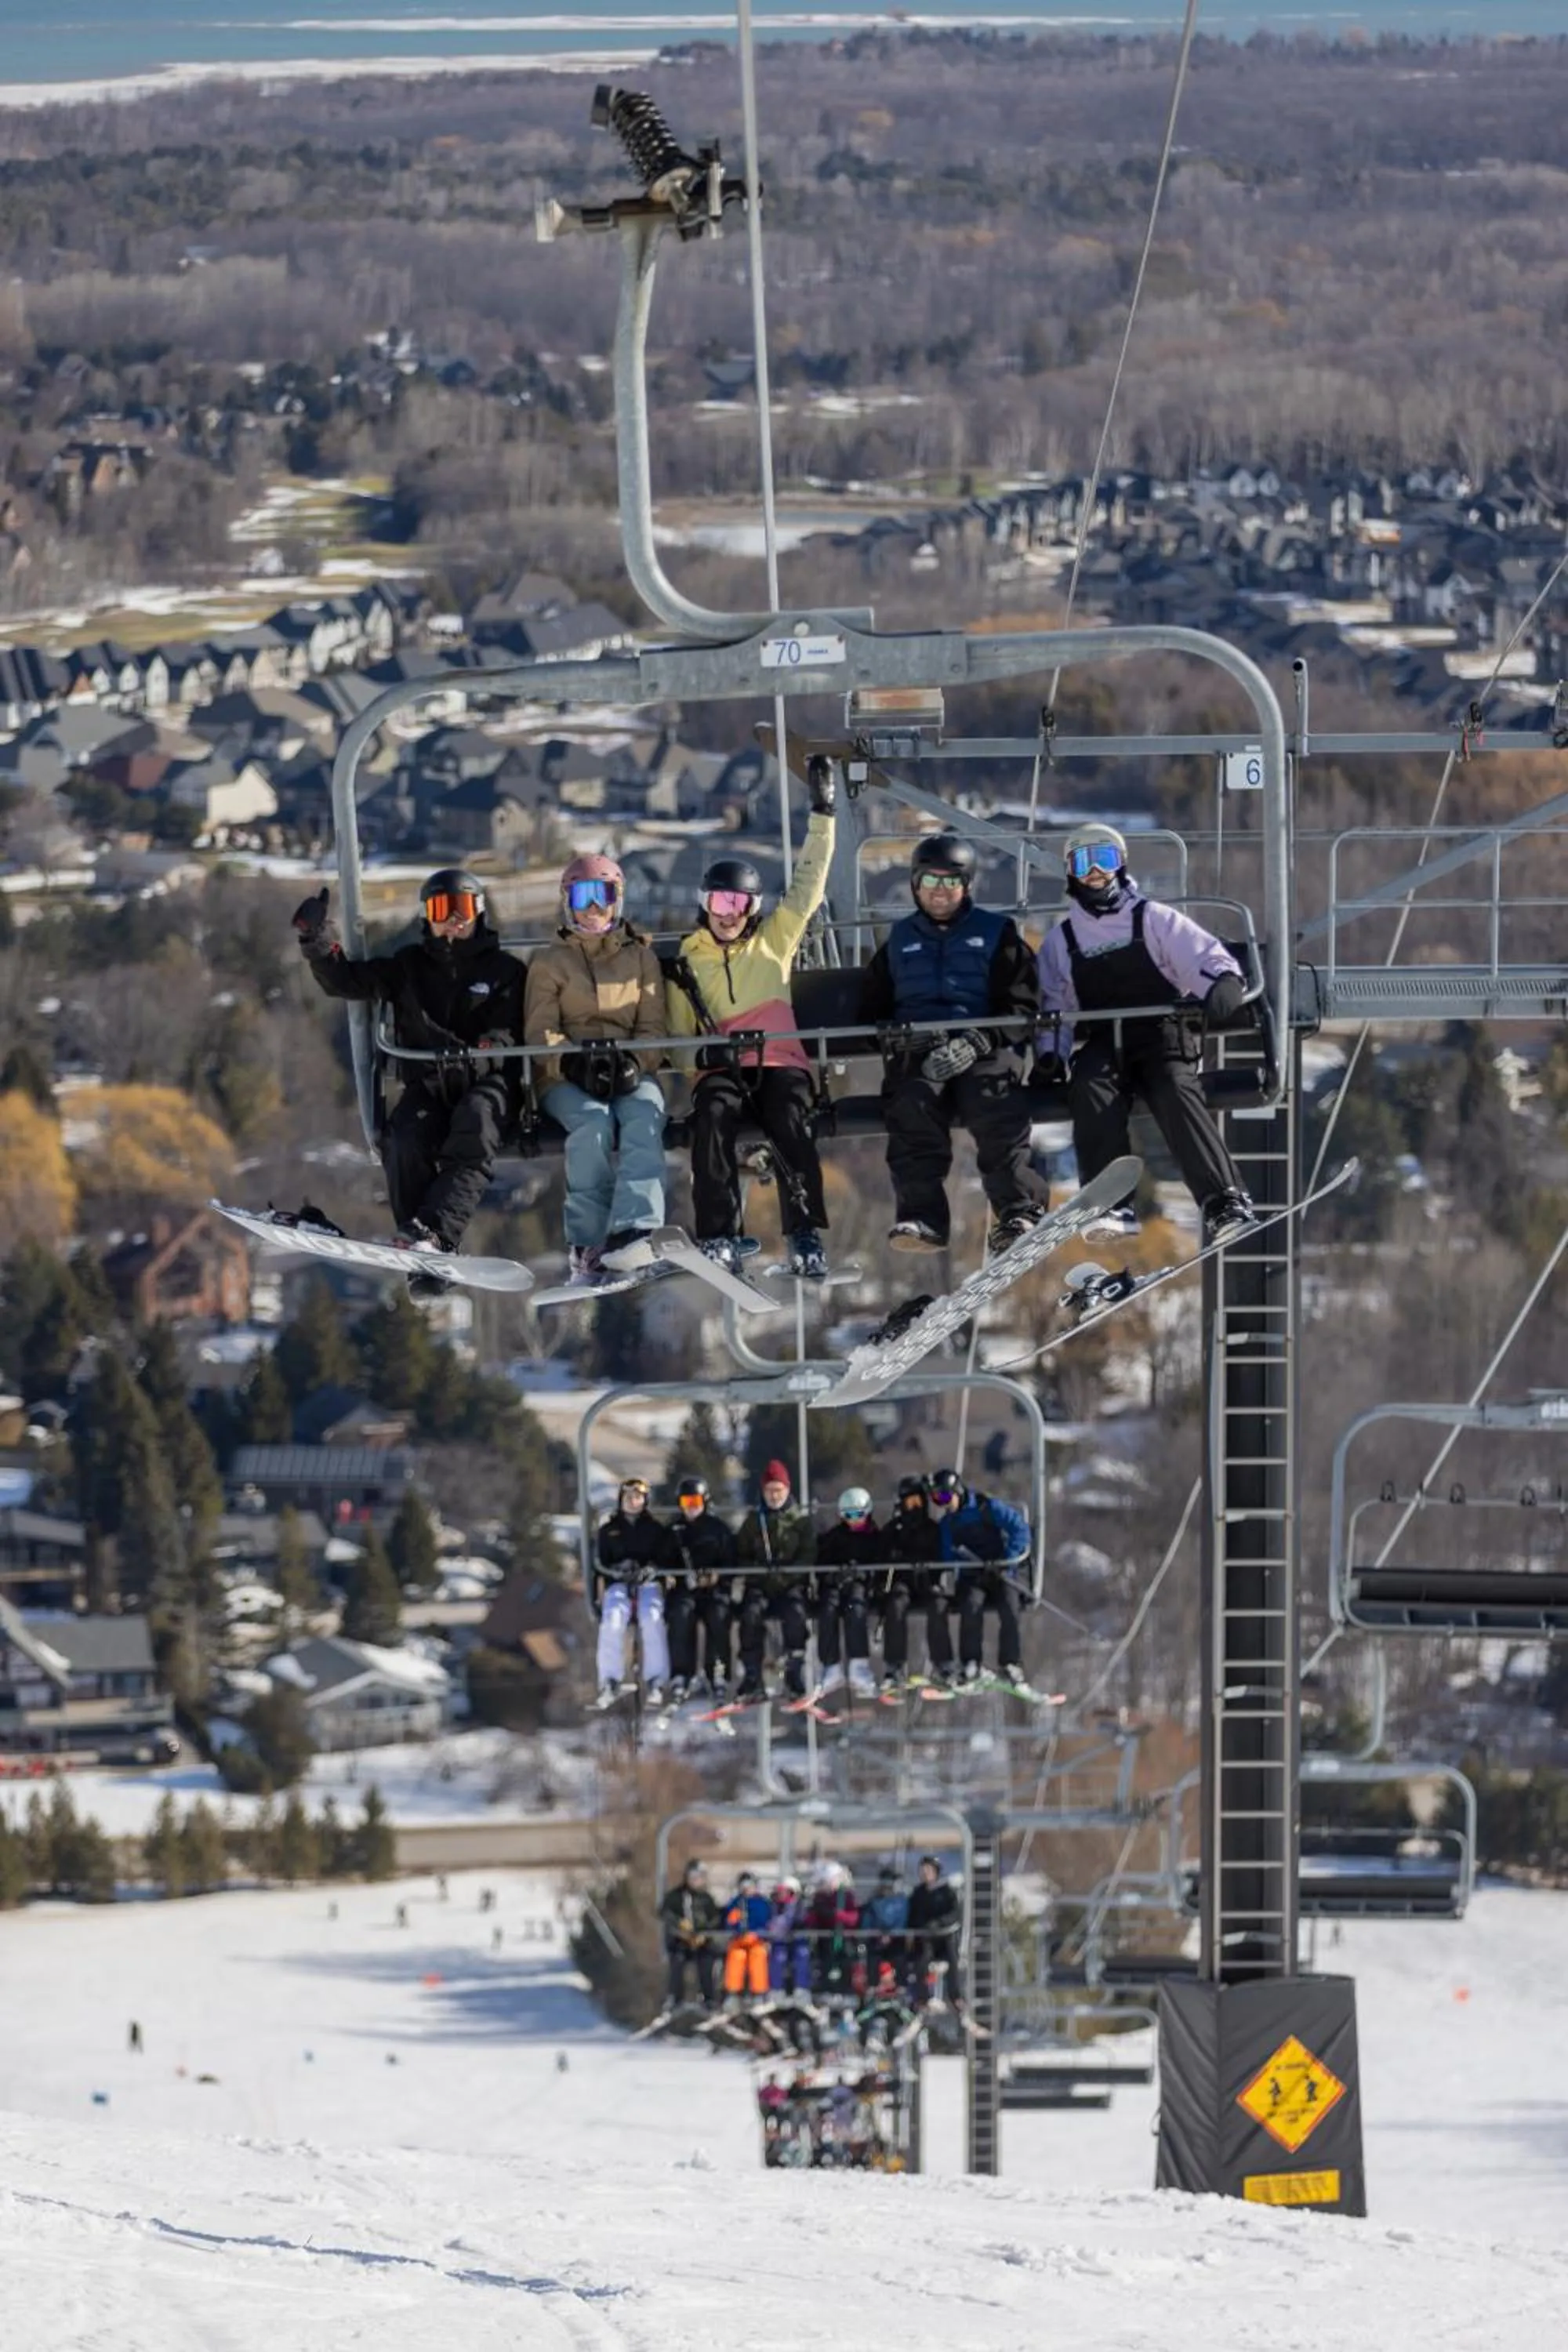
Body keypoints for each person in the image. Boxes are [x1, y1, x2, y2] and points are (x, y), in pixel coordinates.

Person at [292, 873, 524, 1293]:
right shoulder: (409, 967)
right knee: (403, 1139)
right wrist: (318, 942)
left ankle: (435, 1236)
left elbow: (512, 1028)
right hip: (430, 1084)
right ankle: (422, 1257)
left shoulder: (504, 971)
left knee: (475, 1124)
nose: (453, 920)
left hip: (487, 1084)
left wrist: (488, 1047)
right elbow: (347, 981)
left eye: (463, 909)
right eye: (441, 910)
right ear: (427, 916)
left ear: (479, 914)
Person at [1035, 822, 1257, 1246]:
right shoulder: (1061, 942)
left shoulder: (1152, 919)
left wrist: (1222, 983)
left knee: (1175, 1087)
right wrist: (1051, 1054)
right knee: (1089, 1087)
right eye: (1085, 863)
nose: (1096, 873)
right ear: (1071, 873)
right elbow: (1054, 1006)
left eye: (1105, 860)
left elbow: (1202, 955)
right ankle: (1110, 1204)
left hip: (1160, 1033)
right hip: (1104, 1038)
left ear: (1121, 866)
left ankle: (1223, 1198)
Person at [665, 756, 837, 1280]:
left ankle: (804, 1232)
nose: (728, 912)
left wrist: (824, 813)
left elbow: (809, 885)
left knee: (790, 1118)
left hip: (780, 1063)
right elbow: (676, 1038)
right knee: (711, 1119)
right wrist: (700, 1058)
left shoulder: (774, 940)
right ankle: (718, 1233)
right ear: (704, 904)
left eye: (738, 902)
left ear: (753, 907)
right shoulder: (687, 962)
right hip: (722, 1070)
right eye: (719, 900)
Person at [860, 830, 1050, 1254]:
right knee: (911, 1106)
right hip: (919, 1047)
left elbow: (1024, 1004)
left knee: (992, 1102)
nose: (940, 892)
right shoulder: (899, 940)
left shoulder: (998, 934)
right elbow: (871, 1006)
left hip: (983, 1045)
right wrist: (890, 1034)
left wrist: (984, 1039)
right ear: (914, 885)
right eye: (930, 882)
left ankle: (1019, 1207)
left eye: (951, 882)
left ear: (967, 886)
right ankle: (923, 1217)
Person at [524, 852, 670, 1283]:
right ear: (567, 901)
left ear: (617, 900)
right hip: (567, 1075)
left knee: (645, 1115)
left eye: (602, 895)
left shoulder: (641, 958)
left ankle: (635, 1232)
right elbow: (540, 1030)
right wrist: (571, 1061)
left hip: (629, 1069)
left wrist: (634, 1062)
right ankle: (586, 1246)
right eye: (582, 896)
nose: (592, 908)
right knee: (593, 1124)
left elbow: (654, 1028)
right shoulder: (550, 962)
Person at [927, 1466, 1029, 1688]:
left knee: (1010, 1608)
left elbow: (1020, 1529)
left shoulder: (987, 1507)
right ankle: (971, 1662)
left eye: (945, 1496)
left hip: (1000, 1571)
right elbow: (947, 1555)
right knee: (971, 1608)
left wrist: (1007, 1559)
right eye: (936, 1499)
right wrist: (963, 1563)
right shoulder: (948, 1524)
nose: (943, 1503)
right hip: (972, 1576)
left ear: (957, 1491)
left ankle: (1010, 1663)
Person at [735, 1459, 815, 1701]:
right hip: (760, 1586)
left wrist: (788, 1573)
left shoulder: (799, 1521)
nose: (774, 1496)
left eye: (778, 1490)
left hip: (790, 1586)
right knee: (750, 1616)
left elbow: (808, 1554)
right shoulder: (753, 1521)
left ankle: (794, 1673)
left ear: (787, 1490)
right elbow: (740, 1554)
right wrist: (758, 1570)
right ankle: (752, 1676)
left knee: (796, 1615)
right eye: (769, 1491)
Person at [657, 1473, 736, 1703]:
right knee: (681, 1616)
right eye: (685, 1503)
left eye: (695, 1503)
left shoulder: (719, 1530)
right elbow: (663, 1561)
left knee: (719, 1616)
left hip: (714, 1591)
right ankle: (682, 1673)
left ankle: (718, 1673)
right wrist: (670, 1577)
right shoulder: (674, 1531)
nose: (690, 1508)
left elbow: (731, 1562)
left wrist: (717, 1577)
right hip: (685, 1591)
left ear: (705, 1502)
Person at [593, 1475, 670, 1707]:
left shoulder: (655, 1529)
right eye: (628, 1497)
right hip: (618, 1584)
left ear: (645, 1501)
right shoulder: (609, 1530)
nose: (632, 1502)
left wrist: (652, 1570)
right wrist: (616, 1570)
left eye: (637, 1497)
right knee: (612, 1620)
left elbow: (665, 1558)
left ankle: (656, 1679)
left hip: (648, 1584)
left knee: (652, 1618)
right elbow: (600, 1563)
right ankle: (610, 1678)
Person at [881, 1475, 956, 1689]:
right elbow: (880, 1557)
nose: (914, 1508)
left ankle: (944, 1664)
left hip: (927, 1582)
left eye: (918, 1502)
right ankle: (894, 1666)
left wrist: (932, 1571)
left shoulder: (933, 1530)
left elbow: (943, 1557)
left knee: (938, 1605)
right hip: (903, 1583)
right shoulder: (894, 1530)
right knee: (895, 1605)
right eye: (909, 1503)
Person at [814, 1486, 883, 1700]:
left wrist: (863, 1576)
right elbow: (821, 1567)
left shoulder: (875, 1538)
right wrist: (834, 1576)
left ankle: (858, 1664)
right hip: (836, 1586)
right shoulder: (834, 1538)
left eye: (858, 1515)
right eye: (849, 1516)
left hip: (861, 1587)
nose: (854, 1521)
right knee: (827, 1609)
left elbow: (881, 1565)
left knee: (855, 1609)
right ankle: (830, 1665)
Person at [659, 1859, 720, 2009]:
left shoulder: (706, 1899)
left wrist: (704, 1933)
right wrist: (680, 1925)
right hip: (681, 1942)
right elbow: (664, 1913)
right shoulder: (676, 1896)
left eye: (699, 1876)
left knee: (706, 1961)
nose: (696, 1880)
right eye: (693, 1876)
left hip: (701, 1942)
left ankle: (708, 1998)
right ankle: (675, 1998)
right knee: (677, 1961)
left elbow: (715, 1919)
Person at [906, 1853, 960, 2005]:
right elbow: (912, 1916)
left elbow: (955, 1913)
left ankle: (955, 1996)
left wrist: (939, 1923)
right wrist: (922, 1926)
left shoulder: (946, 1892)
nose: (925, 1873)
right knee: (921, 1961)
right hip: (926, 1940)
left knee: (953, 1958)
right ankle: (923, 1997)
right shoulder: (918, 1894)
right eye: (922, 1870)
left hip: (944, 1939)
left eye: (928, 1870)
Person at [721, 1869, 774, 2002]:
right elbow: (728, 1921)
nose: (747, 1889)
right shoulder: (736, 1903)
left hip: (757, 1940)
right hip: (739, 1940)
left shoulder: (762, 1903)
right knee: (736, 1956)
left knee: (758, 1955)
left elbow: (766, 1922)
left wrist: (761, 1934)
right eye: (744, 1886)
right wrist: (735, 1923)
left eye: (750, 1885)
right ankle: (733, 1993)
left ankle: (759, 1992)